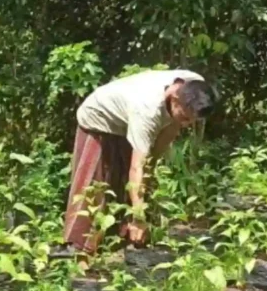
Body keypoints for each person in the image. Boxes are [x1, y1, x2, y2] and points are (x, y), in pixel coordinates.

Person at [59, 69, 218, 255]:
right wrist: (139, 217)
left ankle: (119, 244)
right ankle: (78, 250)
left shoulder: (194, 85)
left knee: (134, 185)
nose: (186, 124)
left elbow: (166, 135)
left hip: (127, 121)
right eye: (184, 118)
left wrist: (151, 170)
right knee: (96, 188)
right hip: (99, 119)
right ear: (174, 98)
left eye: (191, 121)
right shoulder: (146, 109)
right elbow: (137, 167)